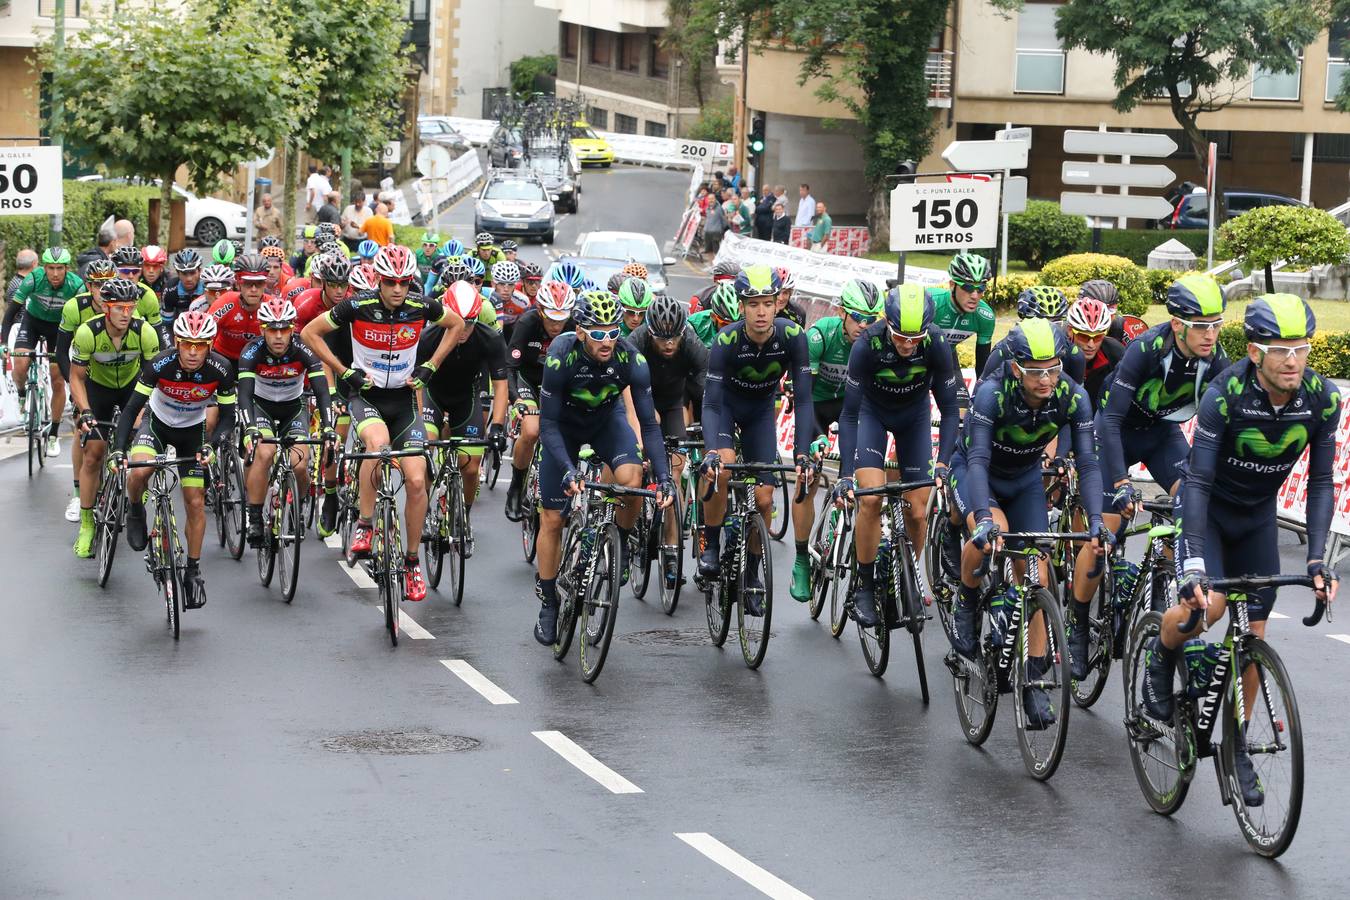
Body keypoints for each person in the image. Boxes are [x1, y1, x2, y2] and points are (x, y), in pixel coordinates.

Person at [1144, 295, 1339, 807]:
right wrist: (1191, 562)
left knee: (1254, 631)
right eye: (1280, 350)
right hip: (1208, 507)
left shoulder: (1322, 398)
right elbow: (1199, 481)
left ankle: (1237, 744)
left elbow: (1321, 481)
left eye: (1301, 349)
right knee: (1204, 607)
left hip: (1256, 519)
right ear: (1255, 352)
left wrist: (1318, 559)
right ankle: (1161, 659)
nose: (1293, 360)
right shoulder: (1225, 392)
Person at [1067, 274, 1231, 678]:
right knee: (1105, 533)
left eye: (1217, 324)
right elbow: (1109, 421)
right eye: (1202, 325)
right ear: (1177, 324)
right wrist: (1122, 484)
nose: (1211, 334)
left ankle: (1168, 596)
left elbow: (1232, 415)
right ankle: (1079, 622)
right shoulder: (1145, 349)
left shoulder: (1215, 357)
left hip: (1160, 436)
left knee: (1191, 502)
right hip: (1115, 432)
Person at [949, 320, 1109, 727]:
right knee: (991, 538)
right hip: (977, 472)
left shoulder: (1072, 398)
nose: (1047, 378)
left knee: (1036, 575)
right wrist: (983, 518)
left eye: (1054, 368)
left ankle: (1035, 680)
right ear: (1017, 368)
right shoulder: (991, 394)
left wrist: (1094, 522)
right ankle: (966, 604)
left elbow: (1089, 464)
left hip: (1024, 481)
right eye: (1037, 371)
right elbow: (979, 461)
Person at [301, 245, 466, 601]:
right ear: (378, 279)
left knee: (418, 479)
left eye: (404, 282)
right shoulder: (357, 306)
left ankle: (411, 562)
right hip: (367, 397)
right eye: (391, 282)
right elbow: (309, 334)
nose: (397, 289)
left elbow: (457, 325)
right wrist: (345, 371)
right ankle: (364, 524)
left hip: (404, 401)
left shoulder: (421, 306)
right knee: (376, 449)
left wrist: (431, 366)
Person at [531, 290, 672, 644]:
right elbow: (547, 426)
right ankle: (548, 603)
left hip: (606, 422)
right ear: (580, 332)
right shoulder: (560, 357)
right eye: (598, 333)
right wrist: (566, 468)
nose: (607, 340)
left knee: (632, 477)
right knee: (551, 518)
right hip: (562, 426)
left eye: (612, 331)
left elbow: (649, 424)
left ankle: (618, 546)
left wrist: (666, 477)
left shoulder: (631, 358)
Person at [831, 284, 962, 626]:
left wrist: (944, 464)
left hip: (914, 418)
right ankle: (863, 582)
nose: (908, 344)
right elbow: (848, 414)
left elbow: (950, 410)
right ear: (887, 323)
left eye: (915, 338)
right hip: (872, 415)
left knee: (918, 511)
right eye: (900, 336)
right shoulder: (867, 344)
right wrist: (846, 473)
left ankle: (903, 580)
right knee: (872, 499)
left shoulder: (935, 343)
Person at [697, 265, 815, 600]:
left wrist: (803, 452)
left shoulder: (792, 337)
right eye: (752, 304)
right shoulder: (727, 340)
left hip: (761, 411)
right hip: (726, 409)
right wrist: (710, 450)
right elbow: (712, 404)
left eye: (767, 303)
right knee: (722, 467)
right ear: (741, 306)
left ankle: (751, 572)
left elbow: (804, 400)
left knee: (764, 498)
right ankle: (712, 542)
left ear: (778, 303)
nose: (761, 311)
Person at [111, 310, 237, 610]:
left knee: (194, 500)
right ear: (177, 342)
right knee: (140, 471)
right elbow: (131, 409)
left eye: (201, 345)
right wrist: (118, 449)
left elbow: (229, 416)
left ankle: (193, 569)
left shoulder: (221, 369)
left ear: (210, 345)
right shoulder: (159, 365)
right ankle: (136, 509)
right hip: (157, 423)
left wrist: (214, 444)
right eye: (187, 344)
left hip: (192, 432)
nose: (193, 352)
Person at [787, 279, 884, 602]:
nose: (864, 325)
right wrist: (811, 442)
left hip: (853, 408)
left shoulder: (875, 342)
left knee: (856, 477)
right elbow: (802, 396)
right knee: (807, 476)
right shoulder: (819, 336)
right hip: (815, 405)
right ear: (842, 312)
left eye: (872, 319)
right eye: (858, 317)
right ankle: (802, 558)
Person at [68, 279, 161, 557]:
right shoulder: (88, 333)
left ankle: (135, 490)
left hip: (134, 389)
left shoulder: (144, 332)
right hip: (99, 392)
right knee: (93, 454)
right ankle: (86, 524)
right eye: (119, 307)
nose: (126, 313)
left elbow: (153, 379)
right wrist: (84, 410)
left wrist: (143, 413)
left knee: (138, 446)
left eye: (130, 307)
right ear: (106, 308)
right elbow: (76, 377)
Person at [238, 297, 334, 548]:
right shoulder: (252, 351)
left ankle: (298, 507)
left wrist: (327, 427)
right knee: (265, 452)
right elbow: (245, 395)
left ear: (292, 329)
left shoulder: (304, 349)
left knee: (300, 464)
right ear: (262, 330)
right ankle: (256, 516)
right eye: (272, 329)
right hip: (261, 407)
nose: (278, 336)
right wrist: (249, 427)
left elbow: (322, 392)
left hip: (293, 407)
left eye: (284, 329)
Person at [627, 293, 709, 588]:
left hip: (673, 403)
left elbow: (707, 386)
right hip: (639, 401)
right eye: (662, 339)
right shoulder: (635, 341)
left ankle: (672, 553)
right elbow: (623, 392)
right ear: (649, 332)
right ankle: (627, 533)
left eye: (674, 337)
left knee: (673, 477)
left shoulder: (690, 341)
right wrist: (637, 438)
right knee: (635, 470)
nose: (669, 344)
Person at [419, 281, 510, 525]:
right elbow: (416, 383)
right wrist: (417, 422)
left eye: (470, 322)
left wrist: (498, 427)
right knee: (424, 451)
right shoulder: (428, 337)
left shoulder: (489, 338)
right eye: (458, 321)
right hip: (432, 395)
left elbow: (501, 385)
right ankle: (424, 508)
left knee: (470, 468)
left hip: (465, 398)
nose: (463, 329)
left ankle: (463, 516)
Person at [503, 281, 576, 520]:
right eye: (551, 318)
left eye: (561, 318)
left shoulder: (575, 326)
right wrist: (516, 401)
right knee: (532, 431)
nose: (556, 325)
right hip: (528, 380)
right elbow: (510, 368)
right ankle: (516, 484)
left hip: (557, 384)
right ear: (541, 311)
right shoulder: (527, 323)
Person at [13, 247, 84, 459]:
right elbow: (10, 313)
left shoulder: (76, 285)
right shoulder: (33, 279)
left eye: (59, 268)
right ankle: (21, 393)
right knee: (20, 364)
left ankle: (53, 433)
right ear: (44, 268)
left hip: (58, 330)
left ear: (66, 269)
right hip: (33, 322)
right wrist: (4, 343)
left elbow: (83, 319)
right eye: (51, 268)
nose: (55, 273)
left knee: (57, 380)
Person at [930, 252, 996, 375]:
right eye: (968, 288)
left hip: (947, 358)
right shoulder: (931, 303)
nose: (975, 296)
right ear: (952, 285)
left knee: (960, 395)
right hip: (916, 360)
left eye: (981, 288)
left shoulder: (984, 316)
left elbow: (982, 368)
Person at [1064, 296, 1123, 408]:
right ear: (1070, 331)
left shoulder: (1116, 353)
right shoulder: (1059, 352)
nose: (1091, 344)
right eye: (1083, 336)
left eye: (1098, 337)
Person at [161, 250, 204, 332]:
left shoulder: (207, 287)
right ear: (178, 273)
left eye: (192, 273)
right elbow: (166, 325)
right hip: (180, 333)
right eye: (184, 274)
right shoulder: (169, 289)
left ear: (199, 271)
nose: (189, 279)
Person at [3, 248, 38, 343]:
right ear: (34, 264)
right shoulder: (21, 285)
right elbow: (16, 313)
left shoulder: (18, 281)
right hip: (20, 332)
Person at [702, 191, 726, 256]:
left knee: (716, 251)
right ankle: (710, 263)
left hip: (716, 232)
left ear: (715, 199)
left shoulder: (719, 208)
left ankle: (715, 263)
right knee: (708, 251)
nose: (711, 200)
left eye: (712, 199)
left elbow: (723, 220)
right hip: (707, 232)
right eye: (709, 199)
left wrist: (723, 231)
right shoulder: (708, 208)